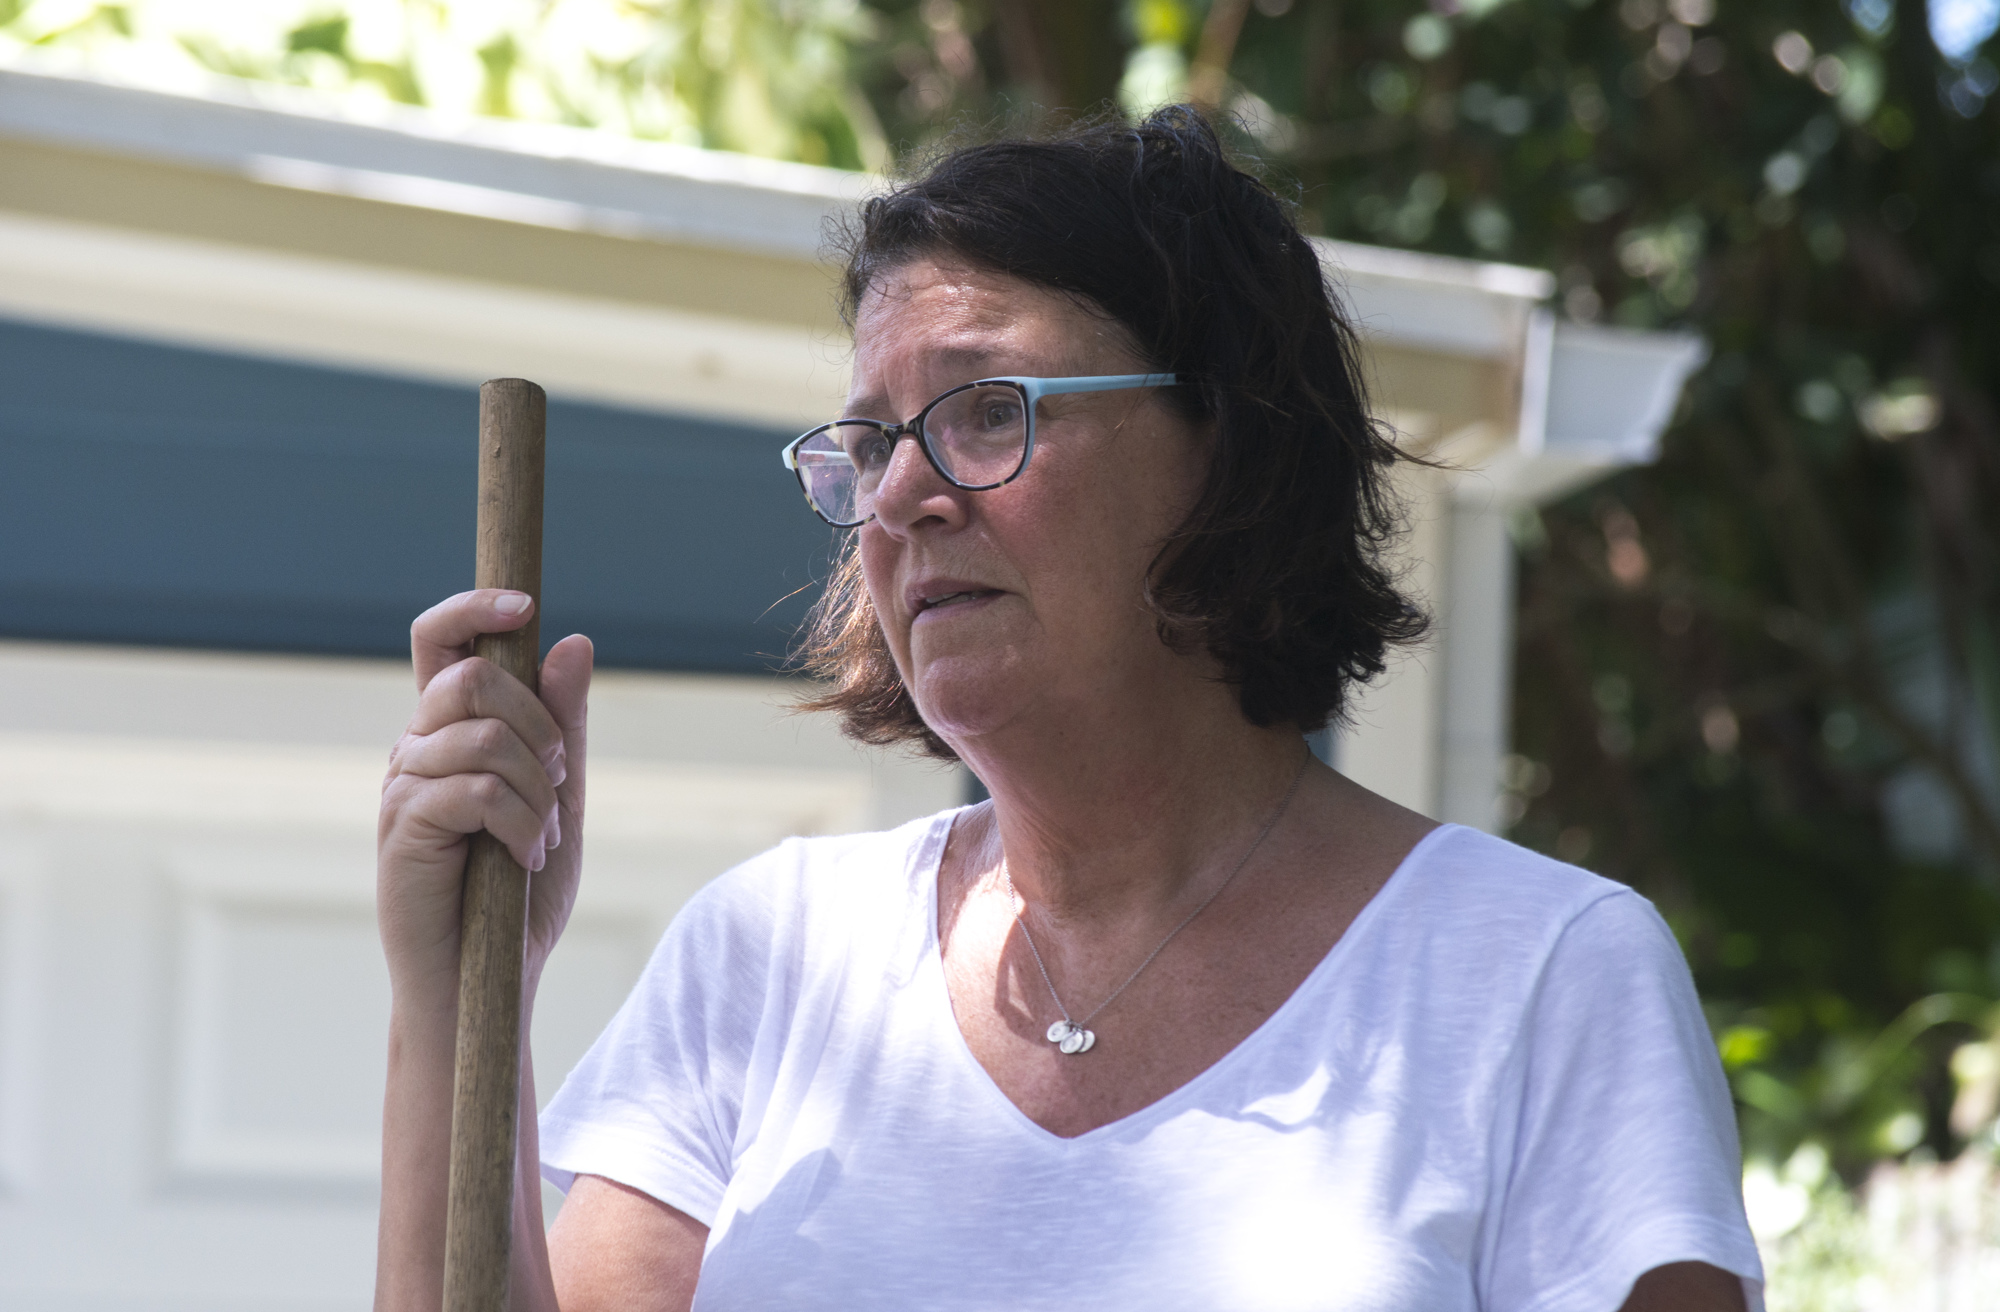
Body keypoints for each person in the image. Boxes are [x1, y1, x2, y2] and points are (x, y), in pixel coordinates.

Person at [374, 108, 1764, 1312]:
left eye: (986, 410)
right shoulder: (771, 957)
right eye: (870, 442)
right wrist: (449, 987)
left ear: (1228, 446)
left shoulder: (1539, 977)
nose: (907, 495)